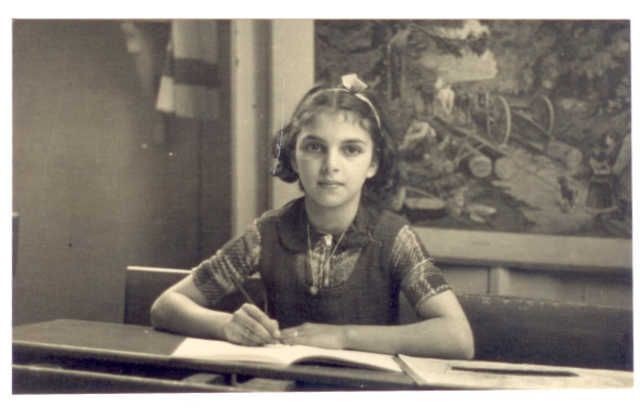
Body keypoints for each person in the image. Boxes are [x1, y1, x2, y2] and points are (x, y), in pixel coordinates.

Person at [150, 73, 474, 359]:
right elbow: (165, 306)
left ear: (373, 164)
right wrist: (226, 325)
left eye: (351, 149)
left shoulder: (394, 236)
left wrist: (344, 337)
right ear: (293, 154)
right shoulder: (267, 232)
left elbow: (459, 338)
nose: (331, 164)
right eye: (315, 147)